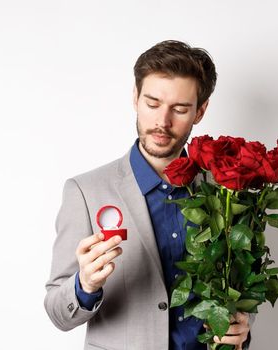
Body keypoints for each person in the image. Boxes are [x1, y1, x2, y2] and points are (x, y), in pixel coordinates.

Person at [43, 40, 255, 350]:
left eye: (180, 109)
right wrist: (84, 285)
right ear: (135, 97)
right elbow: (58, 314)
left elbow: (243, 287)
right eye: (152, 103)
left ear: (201, 111)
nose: (162, 121)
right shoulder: (85, 192)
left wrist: (242, 328)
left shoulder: (225, 190)